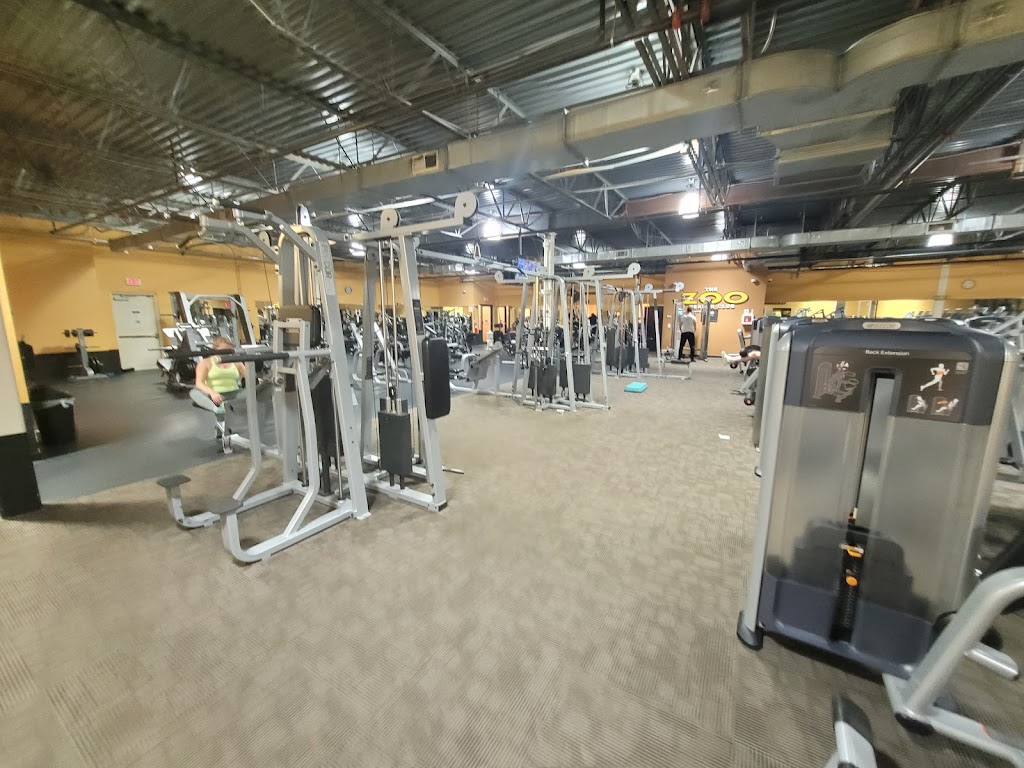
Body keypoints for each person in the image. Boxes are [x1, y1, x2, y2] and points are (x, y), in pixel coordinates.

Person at [189, 336, 246, 452]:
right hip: (215, 396)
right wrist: (212, 393)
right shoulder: (206, 363)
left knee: (257, 391)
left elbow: (249, 377)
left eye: (228, 350)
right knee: (194, 392)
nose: (226, 353)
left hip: (235, 394)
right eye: (223, 350)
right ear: (215, 349)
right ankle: (217, 409)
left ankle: (222, 418)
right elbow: (199, 383)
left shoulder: (236, 362)